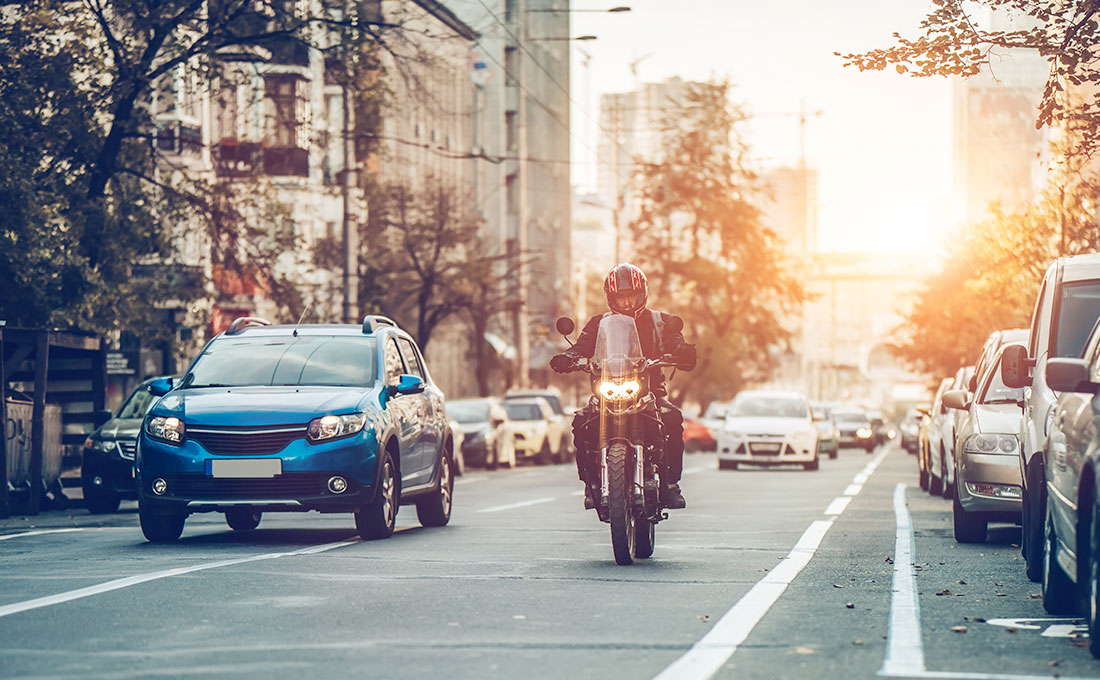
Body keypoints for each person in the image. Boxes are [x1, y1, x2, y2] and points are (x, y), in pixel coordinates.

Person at [550, 263, 696, 510]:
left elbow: (674, 341)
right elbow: (582, 347)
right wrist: (568, 357)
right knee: (582, 423)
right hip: (607, 390)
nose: (627, 302)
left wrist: (681, 350)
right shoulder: (598, 324)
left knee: (672, 419)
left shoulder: (661, 322)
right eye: (621, 297)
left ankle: (671, 485)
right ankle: (591, 483)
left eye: (632, 296)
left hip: (649, 393)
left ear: (642, 294)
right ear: (611, 297)